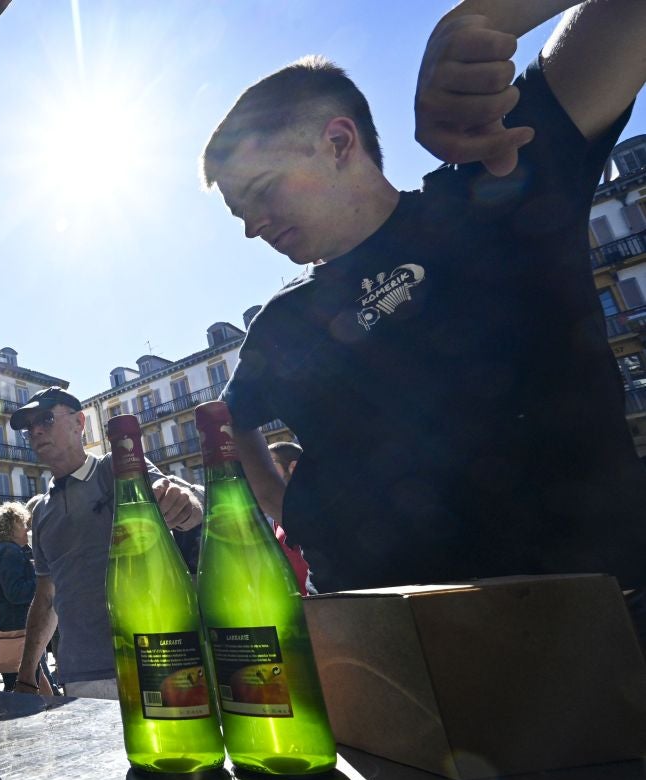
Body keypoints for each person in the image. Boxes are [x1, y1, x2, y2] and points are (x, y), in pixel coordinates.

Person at [200, 3, 646, 623]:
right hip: (368, 634)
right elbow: (229, 420)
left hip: (584, 618)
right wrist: (283, 507)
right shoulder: (280, 324)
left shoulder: (495, 189)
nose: (252, 227)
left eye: (261, 191)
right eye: (239, 215)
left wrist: (484, 16)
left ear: (337, 142)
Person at [7, 387, 204, 699]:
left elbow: (191, 503)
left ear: (79, 422)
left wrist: (184, 505)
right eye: (29, 427)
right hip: (80, 675)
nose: (36, 431)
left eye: (45, 418)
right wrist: (26, 673)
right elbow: (46, 597)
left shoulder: (117, 467)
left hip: (154, 658)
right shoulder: (42, 511)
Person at [0, 502, 51, 696]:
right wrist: (41, 579)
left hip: (7, 628)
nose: (27, 529)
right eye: (23, 524)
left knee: (33, 679)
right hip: (17, 629)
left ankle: (53, 707)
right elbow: (16, 592)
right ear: (11, 526)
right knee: (27, 686)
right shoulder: (8, 551)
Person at [267, 441, 311, 594]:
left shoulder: (312, 508)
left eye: (270, 463)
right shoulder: (278, 512)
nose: (263, 469)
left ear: (294, 467)